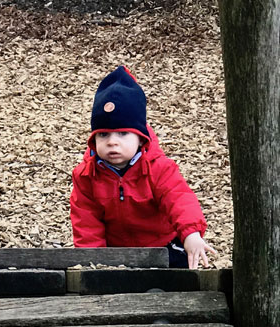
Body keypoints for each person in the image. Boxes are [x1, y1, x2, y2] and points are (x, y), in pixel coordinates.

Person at [70, 66, 215, 269]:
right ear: (94, 140)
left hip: (163, 244)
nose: (112, 142)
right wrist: (93, 262)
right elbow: (87, 223)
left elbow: (179, 199)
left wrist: (191, 234)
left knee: (180, 279)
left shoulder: (159, 168)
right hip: (116, 251)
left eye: (122, 134)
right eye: (103, 135)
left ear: (141, 138)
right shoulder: (87, 175)